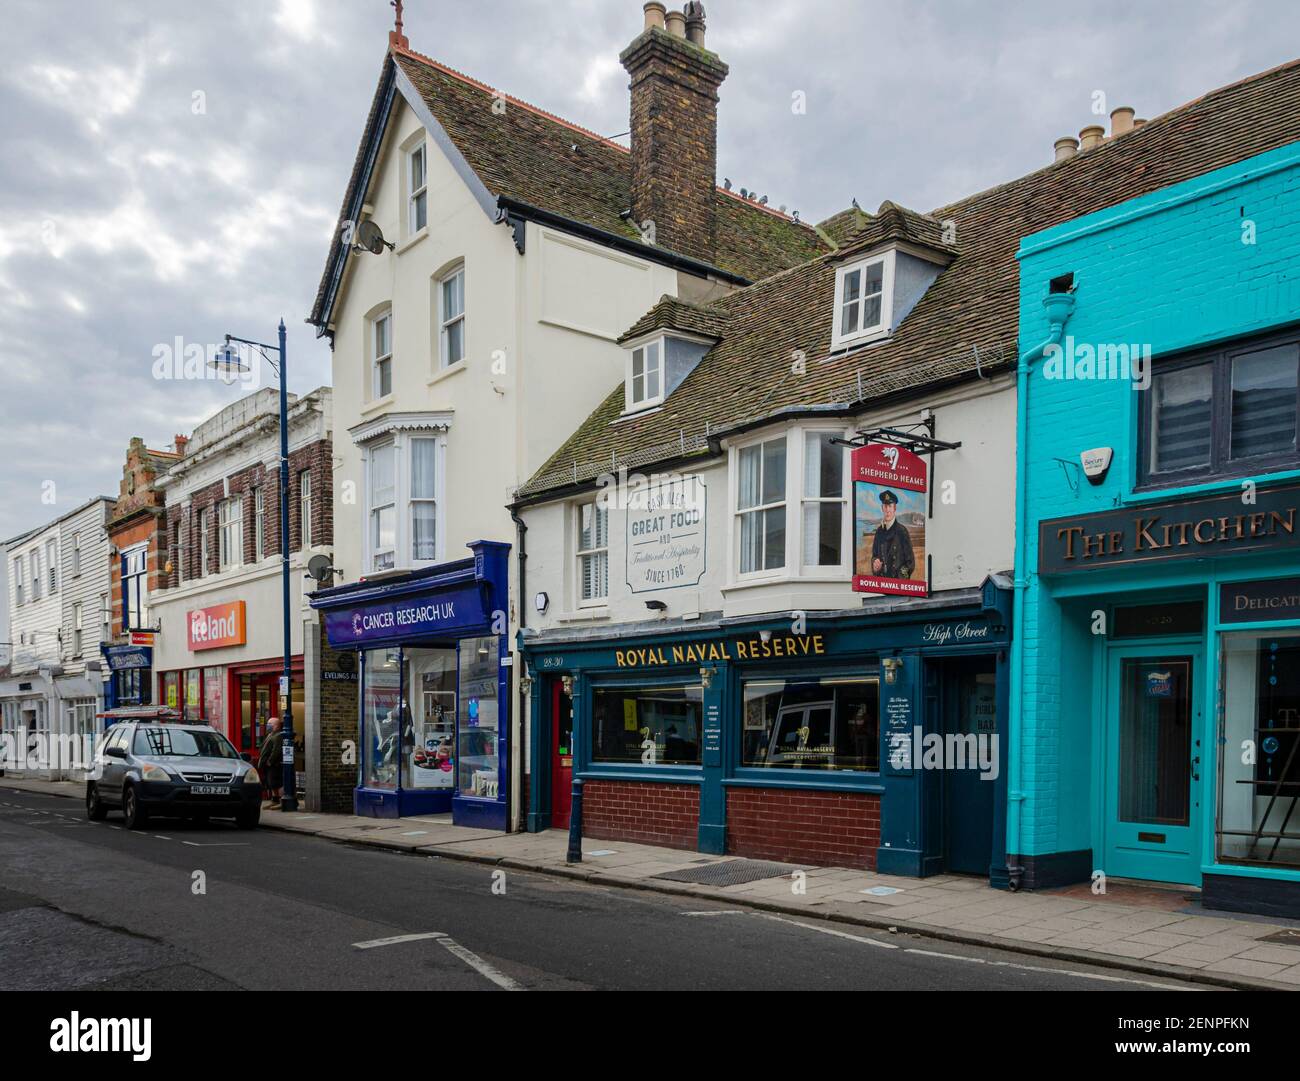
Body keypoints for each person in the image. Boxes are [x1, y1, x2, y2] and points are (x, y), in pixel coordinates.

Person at [870, 490, 916, 580]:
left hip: (898, 586)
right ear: (882, 508)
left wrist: (900, 579)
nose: (887, 510)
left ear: (894, 508)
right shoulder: (879, 531)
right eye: (885, 506)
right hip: (882, 584)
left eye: (890, 506)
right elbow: (874, 555)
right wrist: (875, 564)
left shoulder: (902, 531)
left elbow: (910, 563)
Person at [257, 717, 284, 808]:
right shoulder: (270, 734)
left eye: (270, 724)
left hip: (274, 764)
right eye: (268, 724)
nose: (267, 726)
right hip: (267, 764)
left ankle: (281, 800)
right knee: (270, 782)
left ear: (276, 726)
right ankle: (275, 799)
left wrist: (270, 761)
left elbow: (276, 750)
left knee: (276, 782)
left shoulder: (278, 735)